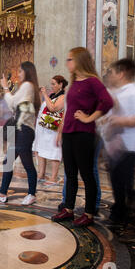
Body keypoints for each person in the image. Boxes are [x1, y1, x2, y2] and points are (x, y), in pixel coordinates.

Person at [51, 47, 113, 227]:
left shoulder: (92, 81)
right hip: (69, 133)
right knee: (70, 174)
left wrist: (89, 117)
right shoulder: (74, 82)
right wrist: (61, 129)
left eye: (70, 59)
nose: (67, 62)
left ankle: (89, 213)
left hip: (84, 134)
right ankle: (68, 209)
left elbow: (108, 102)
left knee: (86, 174)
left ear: (79, 60)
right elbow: (69, 110)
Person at [0, 61, 41, 206]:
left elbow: (12, 102)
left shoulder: (27, 86)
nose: (18, 74)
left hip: (24, 130)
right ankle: (2, 194)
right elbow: (16, 106)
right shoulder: (28, 87)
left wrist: (5, 87)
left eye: (20, 71)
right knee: (8, 161)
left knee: (27, 163)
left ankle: (31, 194)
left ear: (27, 72)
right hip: (21, 130)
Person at [105, 58, 135, 225]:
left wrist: (119, 121)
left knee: (125, 182)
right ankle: (120, 209)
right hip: (117, 144)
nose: (110, 75)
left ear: (121, 73)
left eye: (113, 72)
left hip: (130, 145)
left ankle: (129, 215)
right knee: (117, 180)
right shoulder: (119, 92)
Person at [33, 76, 67, 185]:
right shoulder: (52, 96)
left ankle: (54, 177)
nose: (51, 86)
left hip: (53, 127)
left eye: (54, 84)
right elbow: (42, 107)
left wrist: (44, 94)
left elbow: (53, 108)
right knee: (40, 150)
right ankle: (41, 174)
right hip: (43, 126)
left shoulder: (63, 96)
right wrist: (40, 94)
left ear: (61, 84)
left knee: (54, 151)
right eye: (51, 84)